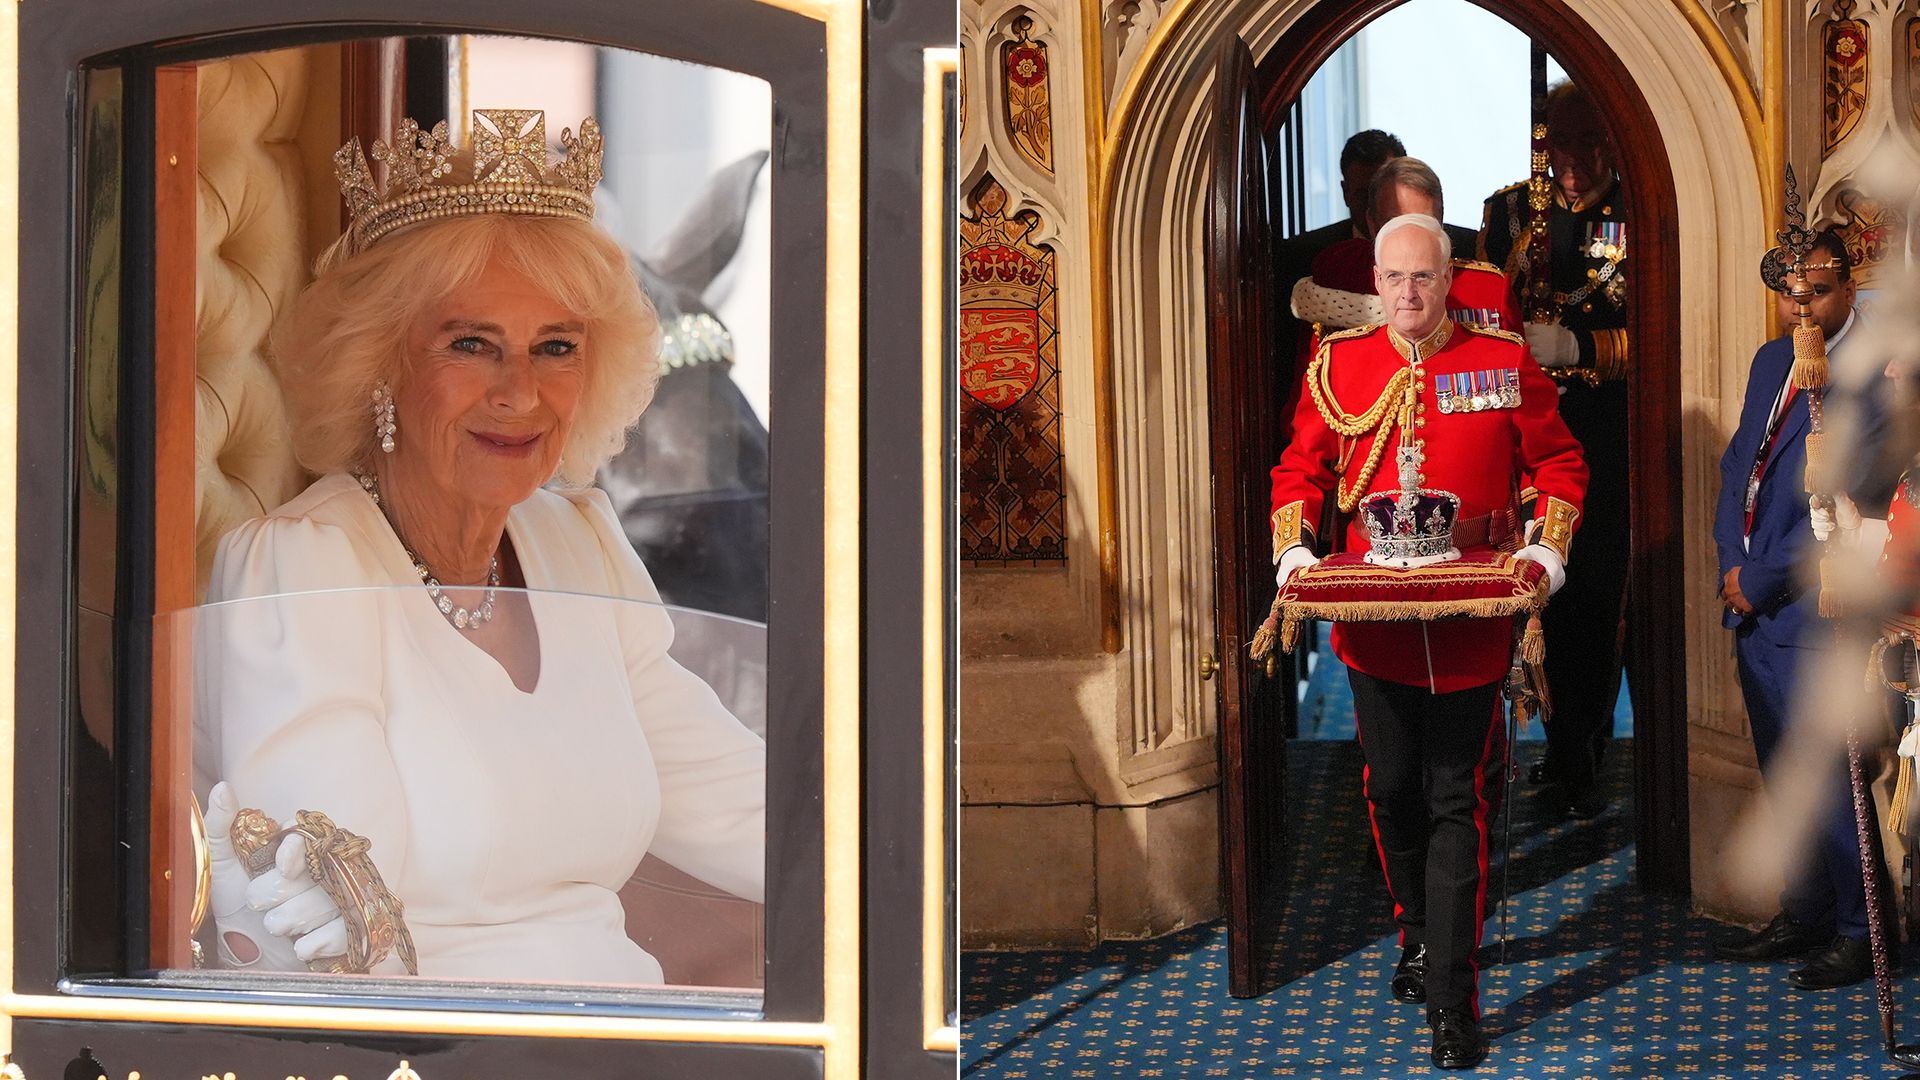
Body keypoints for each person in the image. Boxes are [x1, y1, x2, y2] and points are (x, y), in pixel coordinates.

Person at [196, 110, 766, 984]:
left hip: (635, 1030)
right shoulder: (305, 569)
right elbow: (343, 932)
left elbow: (748, 810)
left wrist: (930, 862)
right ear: (380, 364)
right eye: (472, 345)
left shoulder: (577, 545)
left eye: (556, 348)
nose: (521, 393)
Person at [1270, 213, 1588, 1068]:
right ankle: (1415, 927)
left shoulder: (1500, 359)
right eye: (1395, 278)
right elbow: (1301, 469)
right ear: (1374, 284)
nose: (1409, 294)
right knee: (1391, 792)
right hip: (1375, 615)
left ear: (1450, 280)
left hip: (1472, 612)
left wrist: (1544, 554)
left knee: (1457, 799)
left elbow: (1558, 466)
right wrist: (1296, 546)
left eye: (1425, 278)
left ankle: (1453, 996)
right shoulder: (1338, 364)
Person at [1710, 230, 1897, 990]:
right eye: (1791, 296)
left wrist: (1759, 577)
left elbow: (1846, 503)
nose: (1802, 310)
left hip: (1815, 605)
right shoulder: (1769, 359)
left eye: (1815, 295)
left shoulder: (1877, 380)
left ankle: (1861, 928)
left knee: (1829, 777)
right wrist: (1730, 555)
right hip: (1752, 600)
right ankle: (1806, 908)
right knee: (1783, 774)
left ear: (1848, 288)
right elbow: (1737, 467)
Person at [1478, 80, 1629, 818]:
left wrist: (1581, 345)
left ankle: (1581, 752)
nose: (1575, 161)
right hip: (1522, 440)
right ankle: (1528, 753)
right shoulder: (1509, 213)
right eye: (1561, 145)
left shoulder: (1641, 209)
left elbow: (1665, 332)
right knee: (1524, 595)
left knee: (1593, 599)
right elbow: (1482, 313)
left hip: (1602, 432)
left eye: (1591, 143)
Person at [1291, 156, 1519, 335]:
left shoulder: (1487, 291)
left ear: (1441, 220)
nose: (1410, 236)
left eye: (1423, 223)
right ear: (1372, 224)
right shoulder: (1340, 278)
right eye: (1396, 223)